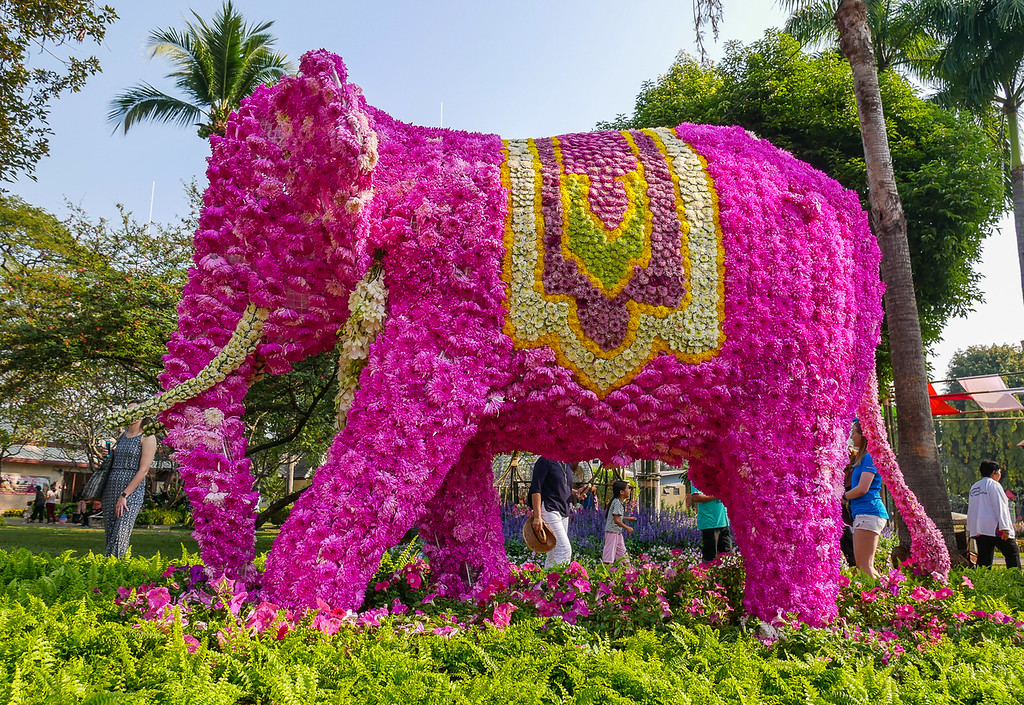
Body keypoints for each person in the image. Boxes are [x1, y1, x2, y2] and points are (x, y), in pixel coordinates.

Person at [103, 402, 157, 558]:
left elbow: (144, 470)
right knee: (111, 533)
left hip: (130, 491)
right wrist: (108, 455)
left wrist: (124, 495)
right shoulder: (122, 436)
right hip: (111, 486)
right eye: (128, 411)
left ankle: (115, 569)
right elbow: (114, 461)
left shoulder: (148, 436)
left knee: (121, 534)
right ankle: (107, 570)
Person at [843, 419, 888, 580]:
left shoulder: (870, 457)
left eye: (854, 433)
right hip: (863, 513)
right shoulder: (862, 458)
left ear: (863, 435)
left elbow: (863, 488)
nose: (852, 436)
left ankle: (883, 598)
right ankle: (887, 595)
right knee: (865, 566)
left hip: (869, 512)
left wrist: (842, 496)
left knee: (865, 566)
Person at [967, 460, 1020, 569]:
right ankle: (1016, 579)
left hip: (979, 529)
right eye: (999, 472)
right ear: (994, 472)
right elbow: (1001, 507)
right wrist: (1005, 527)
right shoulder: (994, 485)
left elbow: (972, 509)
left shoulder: (975, 487)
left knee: (984, 559)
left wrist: (972, 529)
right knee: (1012, 552)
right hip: (995, 528)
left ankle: (982, 581)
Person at [529, 456, 578, 568]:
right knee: (564, 550)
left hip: (563, 511)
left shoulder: (565, 463)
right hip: (549, 508)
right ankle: (559, 582)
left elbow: (560, 486)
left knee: (553, 552)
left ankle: (547, 583)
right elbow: (536, 489)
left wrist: (575, 493)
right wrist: (537, 517)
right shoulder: (544, 460)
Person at [690, 480, 733, 563]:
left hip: (723, 522)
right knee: (710, 557)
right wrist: (716, 495)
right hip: (710, 523)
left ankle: (724, 574)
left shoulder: (720, 477)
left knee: (727, 556)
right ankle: (708, 574)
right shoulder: (698, 478)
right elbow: (696, 497)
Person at [603, 480, 635, 566]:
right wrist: (627, 527)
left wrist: (628, 518)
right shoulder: (617, 503)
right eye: (628, 488)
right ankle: (603, 574)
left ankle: (630, 572)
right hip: (612, 532)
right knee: (608, 557)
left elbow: (617, 516)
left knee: (622, 553)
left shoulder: (618, 503)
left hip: (617, 533)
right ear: (621, 492)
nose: (629, 490)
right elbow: (616, 520)